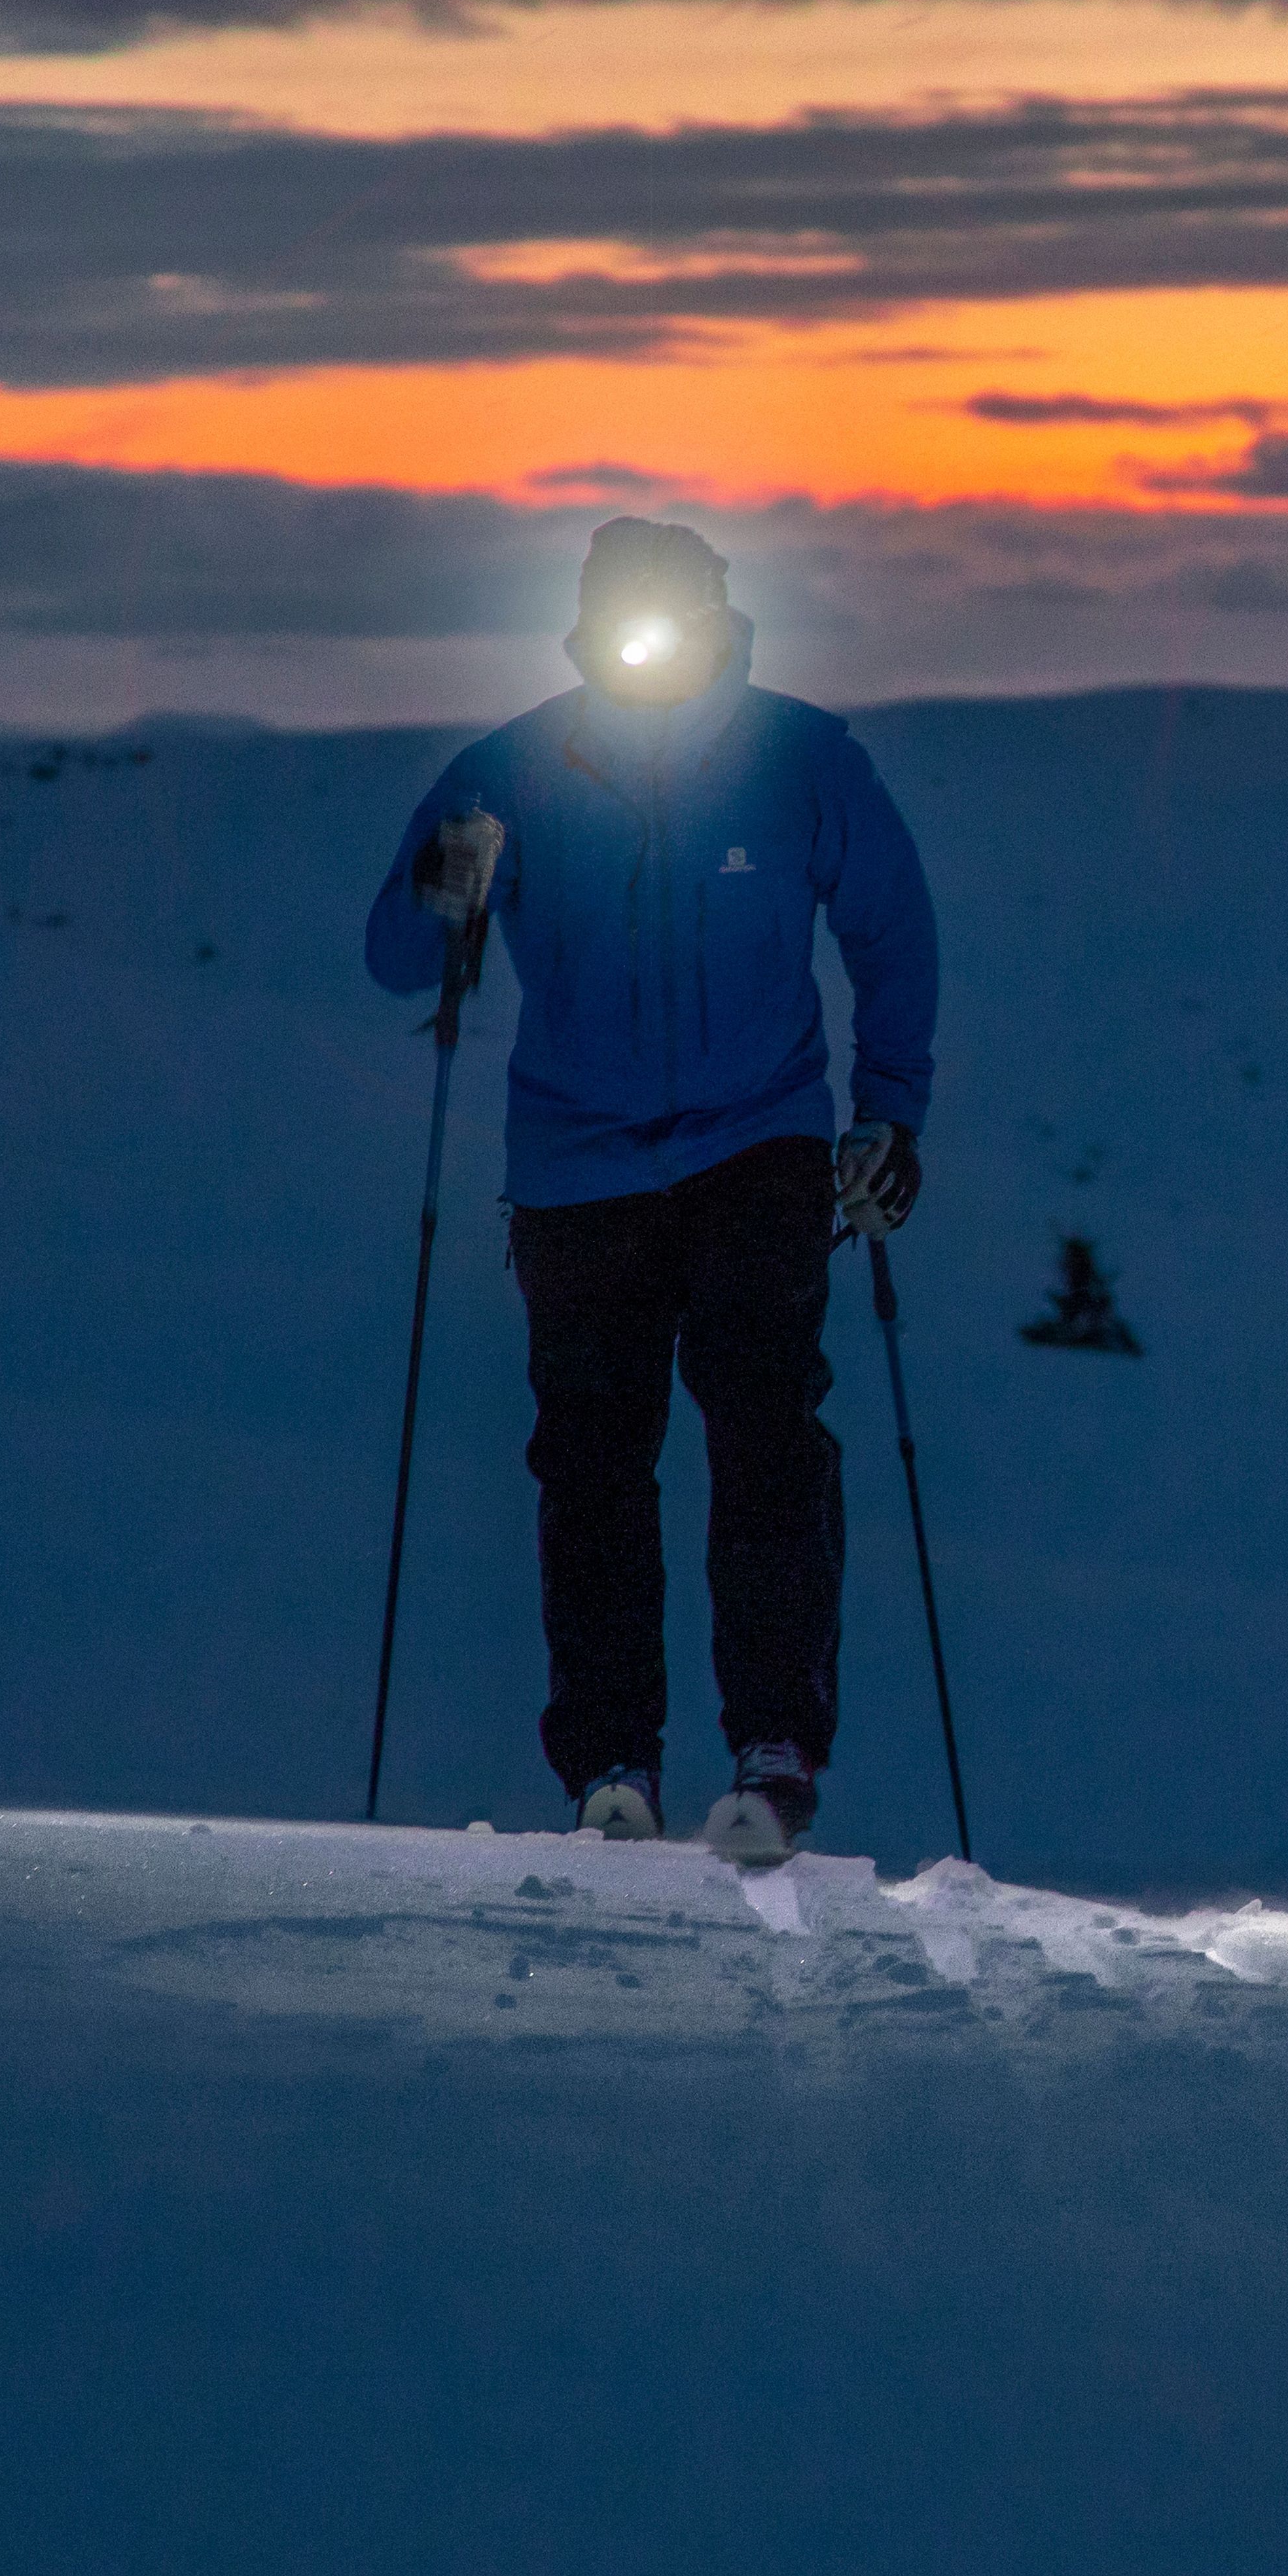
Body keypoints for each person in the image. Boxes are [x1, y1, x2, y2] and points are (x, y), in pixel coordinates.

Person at [364, 518, 940, 1861]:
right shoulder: (508, 770)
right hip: (578, 1170)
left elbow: (892, 929)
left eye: (671, 614)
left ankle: (772, 1743)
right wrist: (443, 880)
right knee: (592, 1466)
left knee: (765, 1433)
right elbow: (399, 953)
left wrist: (889, 1113)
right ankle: (612, 1761)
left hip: (758, 1143)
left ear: (719, 615)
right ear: (587, 623)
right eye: (629, 617)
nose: (652, 639)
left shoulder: (801, 757)